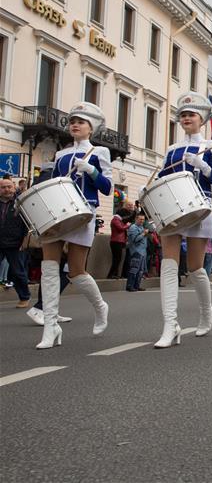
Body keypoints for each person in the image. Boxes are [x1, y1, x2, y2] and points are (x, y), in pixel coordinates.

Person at [36, 102, 112, 349]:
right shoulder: (60, 154)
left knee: (76, 271)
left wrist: (90, 170)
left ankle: (100, 307)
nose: (75, 125)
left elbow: (107, 188)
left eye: (81, 122)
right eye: (73, 121)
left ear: (91, 128)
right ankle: (50, 327)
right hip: (57, 212)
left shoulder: (100, 153)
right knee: (48, 267)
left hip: (83, 212)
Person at [152, 93, 212, 348]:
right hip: (172, 210)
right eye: (183, 115)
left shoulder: (211, 147)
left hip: (198, 207)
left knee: (195, 267)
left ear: (202, 119)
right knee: (168, 265)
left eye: (191, 114)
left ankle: (207, 310)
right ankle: (170, 325)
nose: (186, 119)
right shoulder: (172, 150)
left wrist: (203, 166)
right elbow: (161, 177)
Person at [0, 178, 31, 309]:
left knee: (17, 272)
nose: (6, 190)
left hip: (15, 243)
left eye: (9, 187)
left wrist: (24, 240)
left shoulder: (21, 203)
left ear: (14, 188)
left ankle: (24, 297)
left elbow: (28, 223)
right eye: (3, 187)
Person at [125, 214, 148, 292]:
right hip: (136, 251)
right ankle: (130, 286)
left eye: (143, 219)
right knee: (134, 269)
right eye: (140, 219)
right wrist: (144, 233)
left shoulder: (141, 227)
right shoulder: (133, 228)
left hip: (142, 251)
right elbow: (135, 239)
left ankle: (136, 286)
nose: (142, 221)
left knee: (140, 270)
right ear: (136, 219)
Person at [107, 210, 128, 278]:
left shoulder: (117, 220)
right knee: (117, 259)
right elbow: (120, 228)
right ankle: (111, 275)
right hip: (116, 241)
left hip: (118, 241)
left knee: (117, 259)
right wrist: (127, 226)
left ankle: (114, 274)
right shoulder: (115, 220)